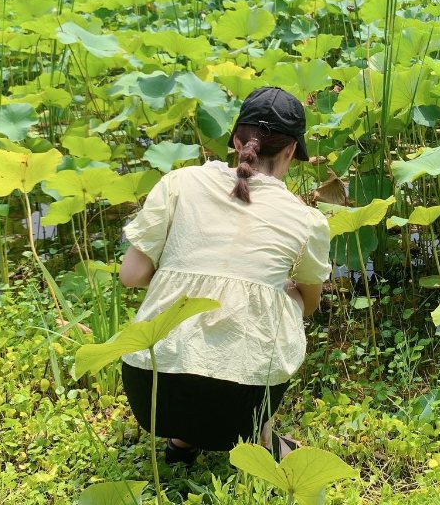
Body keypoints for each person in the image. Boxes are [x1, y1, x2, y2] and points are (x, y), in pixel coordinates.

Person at [118, 87, 331, 465]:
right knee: (283, 303)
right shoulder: (305, 219)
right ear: (290, 153)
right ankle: (262, 439)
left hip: (150, 393)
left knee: (190, 315)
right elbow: (309, 305)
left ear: (235, 140)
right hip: (239, 403)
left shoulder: (178, 183)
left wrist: (183, 274)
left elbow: (131, 275)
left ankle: (182, 442)